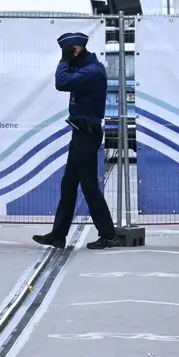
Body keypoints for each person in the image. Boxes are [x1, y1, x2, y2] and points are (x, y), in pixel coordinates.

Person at [33, 31, 120, 250]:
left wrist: (64, 60)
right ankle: (58, 234)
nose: (64, 56)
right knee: (69, 184)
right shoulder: (85, 67)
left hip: (87, 134)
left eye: (66, 51)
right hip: (80, 133)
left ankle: (108, 234)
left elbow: (61, 83)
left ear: (75, 50)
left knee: (89, 185)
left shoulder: (92, 71)